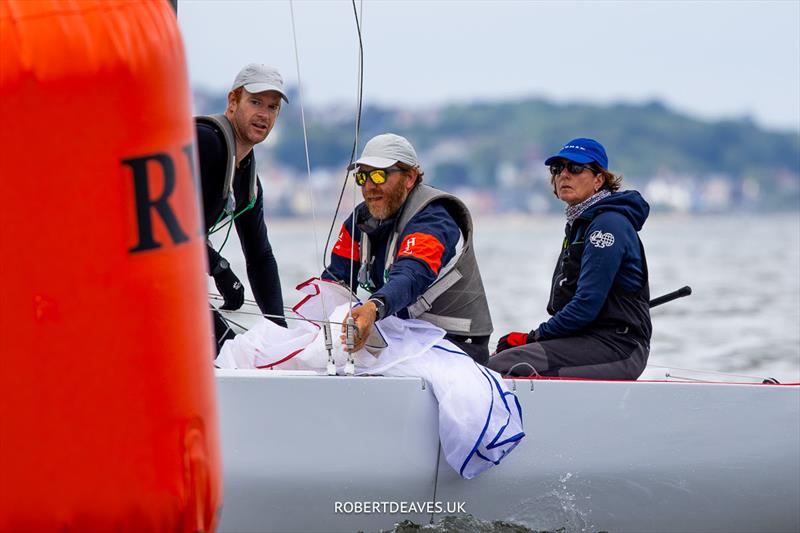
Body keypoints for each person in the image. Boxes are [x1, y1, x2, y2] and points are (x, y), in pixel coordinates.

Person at [322, 133, 494, 364]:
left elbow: (411, 276)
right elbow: (334, 282)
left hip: (454, 346)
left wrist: (373, 308)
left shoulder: (434, 221)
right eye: (363, 177)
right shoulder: (360, 221)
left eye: (379, 175)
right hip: (403, 338)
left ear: (410, 177)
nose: (369, 187)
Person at [488, 138, 652, 380]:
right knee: (498, 359)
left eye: (575, 168)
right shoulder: (582, 223)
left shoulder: (607, 226)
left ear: (599, 180)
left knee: (501, 366)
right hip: (588, 340)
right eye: (557, 169)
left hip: (619, 349)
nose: (564, 175)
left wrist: (533, 337)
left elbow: (586, 305)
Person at [196, 63, 288, 351]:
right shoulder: (204, 142)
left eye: (272, 107)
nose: (264, 114)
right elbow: (169, 226)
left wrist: (280, 331)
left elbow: (260, 256)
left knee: (231, 353)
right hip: (127, 269)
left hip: (170, 280)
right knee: (227, 352)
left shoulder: (247, 177)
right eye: (256, 102)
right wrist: (219, 268)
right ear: (233, 101)